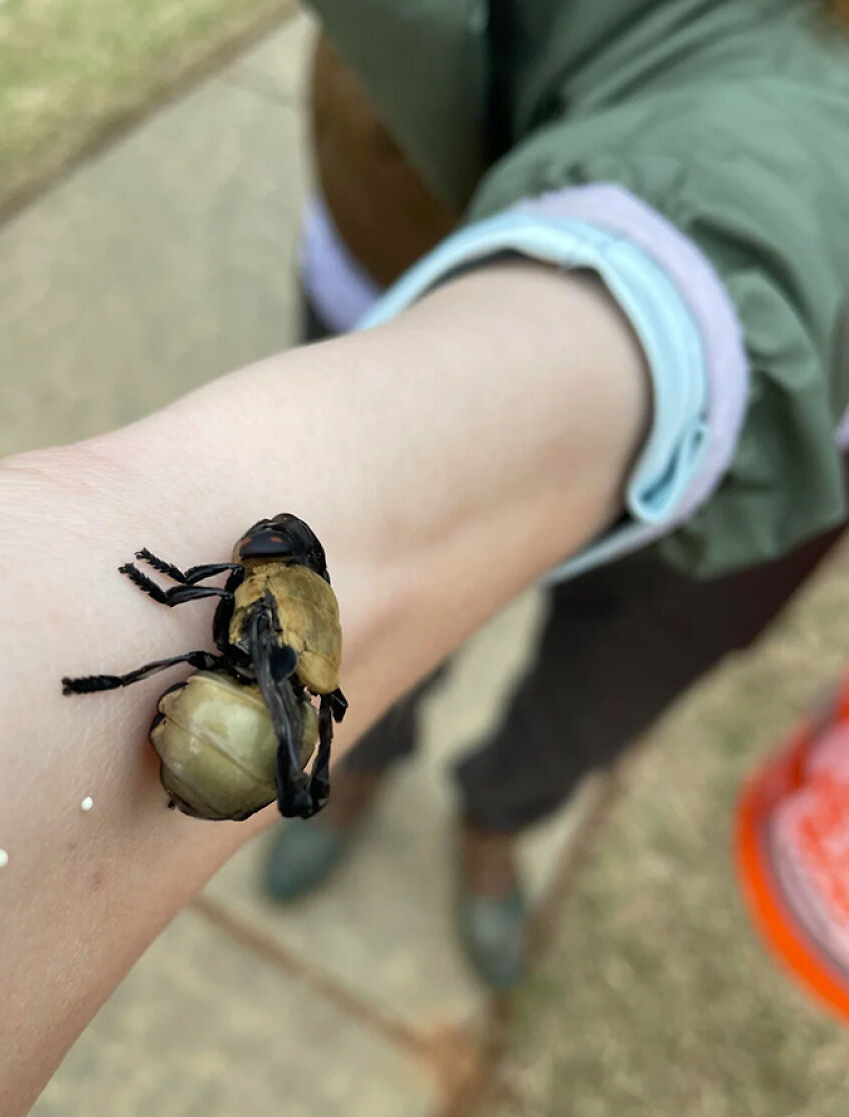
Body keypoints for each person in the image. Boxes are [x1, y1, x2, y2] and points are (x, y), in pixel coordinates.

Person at [0, 0, 847, 1117]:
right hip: (473, 240)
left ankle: (494, 827)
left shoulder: (264, 626)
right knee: (376, 662)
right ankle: (364, 797)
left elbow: (213, 598)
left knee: (592, 694)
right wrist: (56, 604)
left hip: (779, 452)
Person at [261, 2, 849, 987]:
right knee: (351, 611)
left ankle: (497, 821)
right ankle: (355, 759)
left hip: (803, 450)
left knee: (605, 686)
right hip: (430, 233)